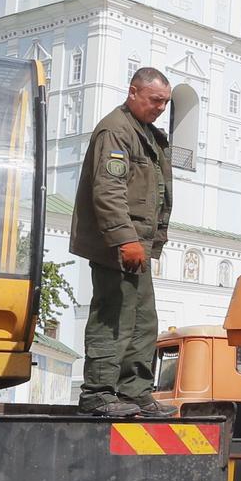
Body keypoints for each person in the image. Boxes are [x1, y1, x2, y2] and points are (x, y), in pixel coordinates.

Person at [71, 68, 175, 417]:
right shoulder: (116, 130)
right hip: (118, 247)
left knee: (143, 321)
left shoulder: (143, 132)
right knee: (113, 317)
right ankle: (98, 394)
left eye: (165, 102)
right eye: (155, 100)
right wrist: (124, 239)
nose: (161, 107)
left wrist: (146, 243)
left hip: (137, 248)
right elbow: (109, 191)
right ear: (133, 92)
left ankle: (134, 393)